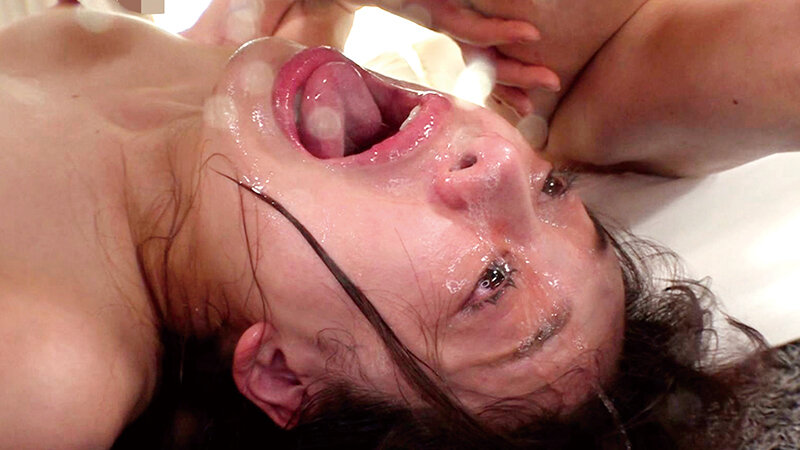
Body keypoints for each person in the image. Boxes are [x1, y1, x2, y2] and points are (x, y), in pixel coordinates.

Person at [0, 1, 795, 449]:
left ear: (284, 376)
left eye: (490, 283)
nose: (502, 163)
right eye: (552, 189)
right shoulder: (222, 109)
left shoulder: (49, 378)